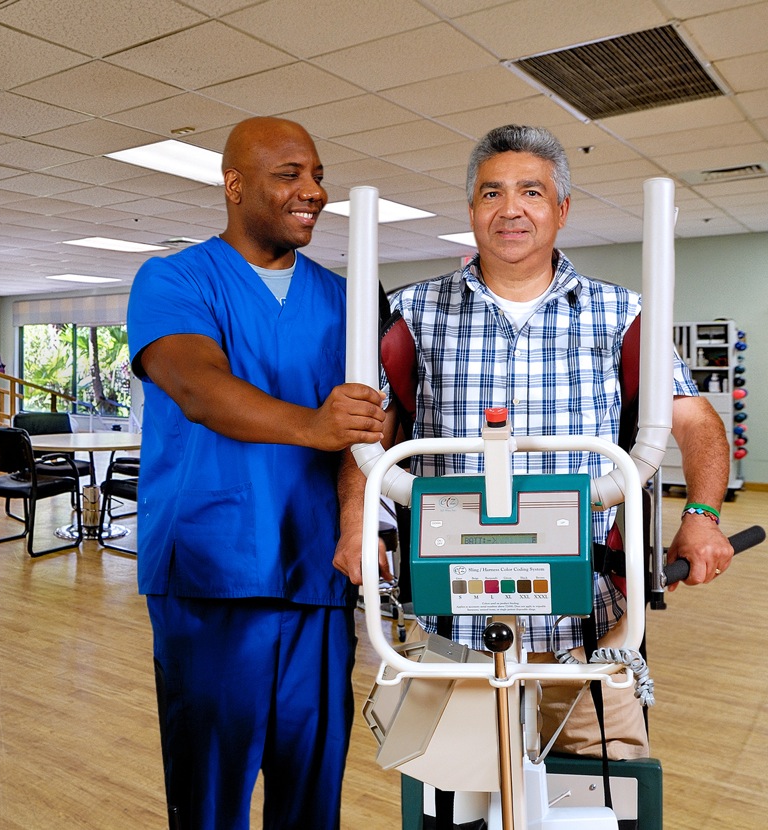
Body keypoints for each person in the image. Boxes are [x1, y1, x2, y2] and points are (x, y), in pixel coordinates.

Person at [335, 124, 734, 760]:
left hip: (588, 626)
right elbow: (372, 429)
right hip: (457, 621)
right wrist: (356, 523)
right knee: (459, 799)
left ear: (561, 209)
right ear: (471, 210)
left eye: (532, 191)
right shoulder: (413, 312)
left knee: (599, 795)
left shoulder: (620, 312)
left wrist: (703, 516)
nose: (511, 208)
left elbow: (693, 420)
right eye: (492, 193)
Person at [127, 116, 384, 829]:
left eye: (317, 174)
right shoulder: (173, 279)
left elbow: (370, 431)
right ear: (234, 185)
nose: (313, 191)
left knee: (311, 792)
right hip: (210, 578)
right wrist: (313, 423)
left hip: (318, 579)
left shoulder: (350, 300)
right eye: (289, 175)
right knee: (209, 797)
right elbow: (198, 387)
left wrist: (359, 521)